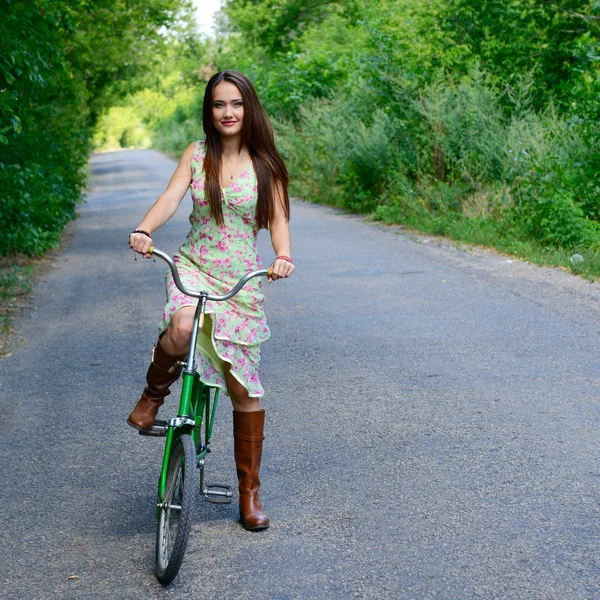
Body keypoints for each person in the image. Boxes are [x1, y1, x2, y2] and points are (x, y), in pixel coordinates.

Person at [127, 70, 294, 531]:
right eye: (219, 104)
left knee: (243, 389)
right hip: (194, 269)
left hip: (240, 281)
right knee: (180, 328)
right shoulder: (197, 155)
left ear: (249, 108)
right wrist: (144, 229)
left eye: (236, 104)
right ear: (210, 109)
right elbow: (169, 197)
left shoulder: (267, 165)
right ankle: (152, 396)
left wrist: (282, 256)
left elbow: (278, 220)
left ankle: (249, 494)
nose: (227, 113)